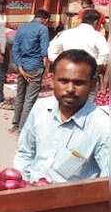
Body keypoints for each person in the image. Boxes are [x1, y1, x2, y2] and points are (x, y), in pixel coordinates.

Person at [14, 49, 109, 182]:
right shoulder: (41, 108)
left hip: (72, 195)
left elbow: (107, 179)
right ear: (52, 80)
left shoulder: (103, 127)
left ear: (92, 85)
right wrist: (21, 184)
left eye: (79, 83)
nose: (70, 89)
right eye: (63, 81)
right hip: (31, 188)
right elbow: (25, 153)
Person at [10, 10, 51, 132]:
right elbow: (44, 52)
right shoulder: (43, 29)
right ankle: (23, 128)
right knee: (30, 99)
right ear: (45, 20)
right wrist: (46, 71)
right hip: (35, 67)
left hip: (21, 66)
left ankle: (15, 124)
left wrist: (20, 68)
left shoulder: (22, 27)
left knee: (20, 96)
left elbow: (15, 49)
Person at [48, 10, 109, 90]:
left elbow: (52, 49)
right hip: (87, 71)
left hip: (68, 70)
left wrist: (59, 62)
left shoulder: (65, 33)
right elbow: (105, 52)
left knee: (67, 94)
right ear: (95, 22)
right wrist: (97, 66)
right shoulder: (97, 36)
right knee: (88, 95)